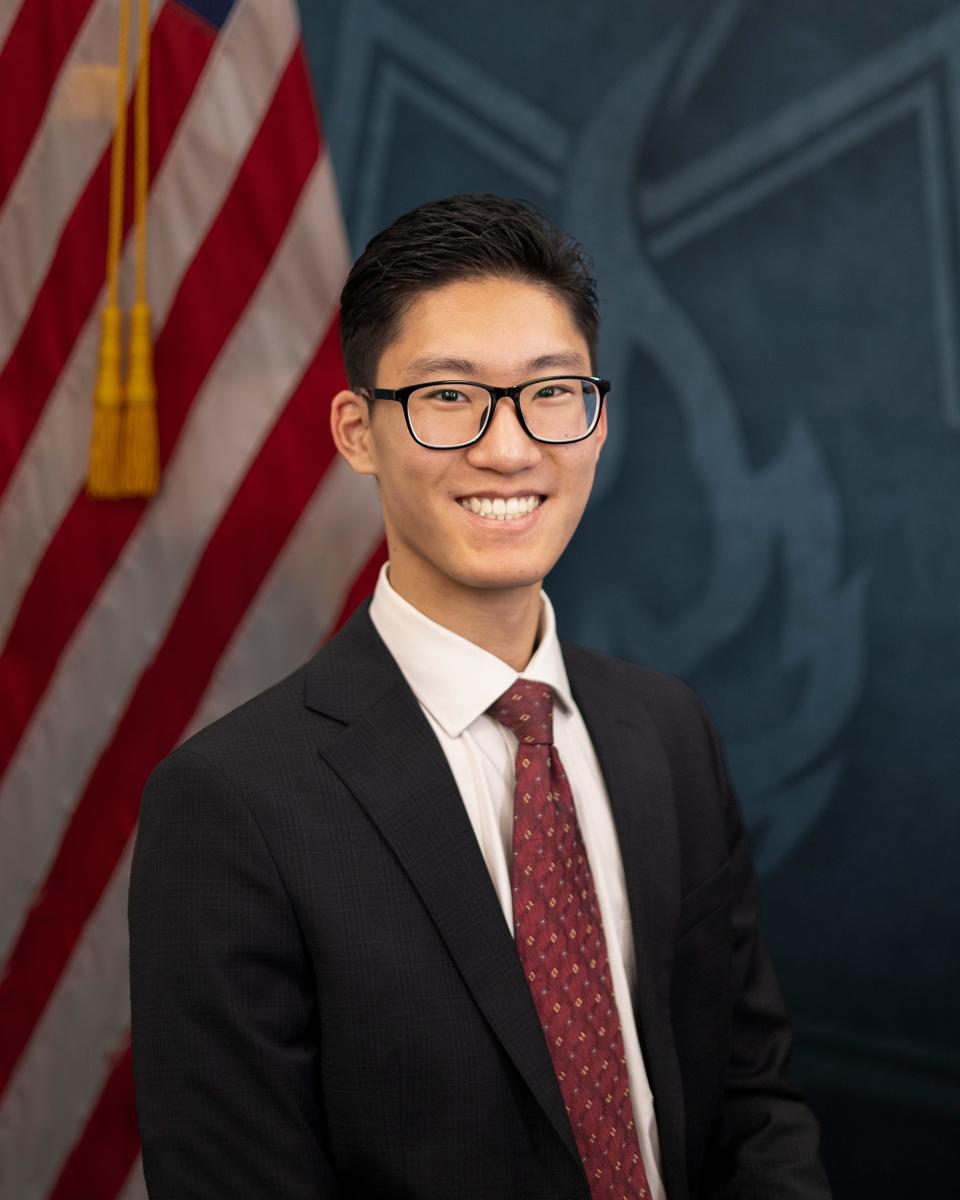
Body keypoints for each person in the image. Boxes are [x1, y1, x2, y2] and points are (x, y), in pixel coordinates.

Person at [128, 194, 832, 1200]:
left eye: (553, 393)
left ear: (596, 417)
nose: (509, 450)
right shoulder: (233, 804)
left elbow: (753, 1098)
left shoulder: (668, 733)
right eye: (449, 397)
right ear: (356, 430)